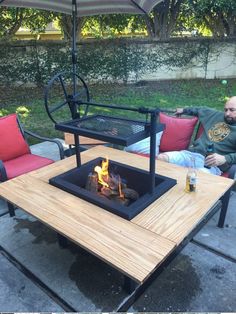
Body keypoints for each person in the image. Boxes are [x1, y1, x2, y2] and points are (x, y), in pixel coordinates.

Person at [158, 96, 236, 175]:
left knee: (195, 176)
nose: (227, 113)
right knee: (162, 158)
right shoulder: (216, 115)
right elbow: (200, 110)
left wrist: (226, 158)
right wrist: (184, 110)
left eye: (232, 110)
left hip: (211, 165)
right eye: (226, 110)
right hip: (191, 155)